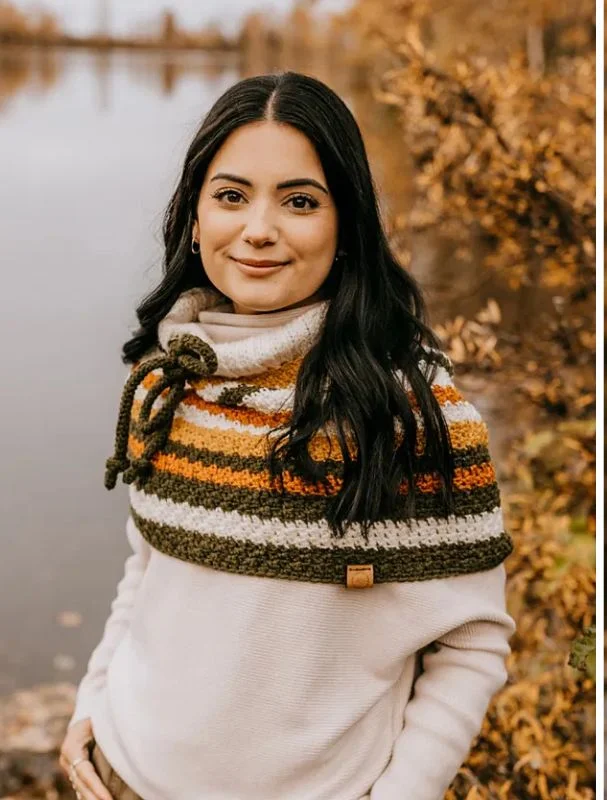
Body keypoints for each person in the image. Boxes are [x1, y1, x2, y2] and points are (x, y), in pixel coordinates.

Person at [59, 72, 514, 800]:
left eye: (299, 201)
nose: (259, 228)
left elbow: (471, 642)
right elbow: (148, 571)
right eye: (231, 196)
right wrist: (92, 699)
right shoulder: (172, 377)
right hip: (118, 777)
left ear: (346, 225)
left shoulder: (407, 409)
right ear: (195, 216)